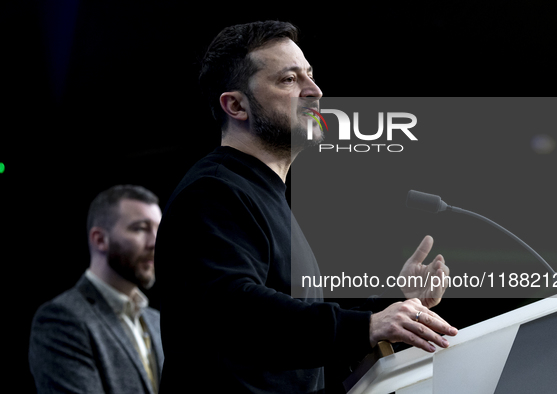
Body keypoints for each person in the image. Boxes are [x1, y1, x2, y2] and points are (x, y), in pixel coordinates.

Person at [155, 21, 457, 394]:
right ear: (235, 105)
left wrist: (397, 300)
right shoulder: (213, 192)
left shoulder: (262, 192)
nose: (315, 91)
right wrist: (366, 326)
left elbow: (294, 324)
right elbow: (236, 311)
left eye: (310, 75)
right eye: (289, 80)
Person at [29, 185, 164, 394]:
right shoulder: (62, 319)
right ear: (100, 240)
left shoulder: (156, 320)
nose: (156, 242)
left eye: (159, 230)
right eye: (140, 228)